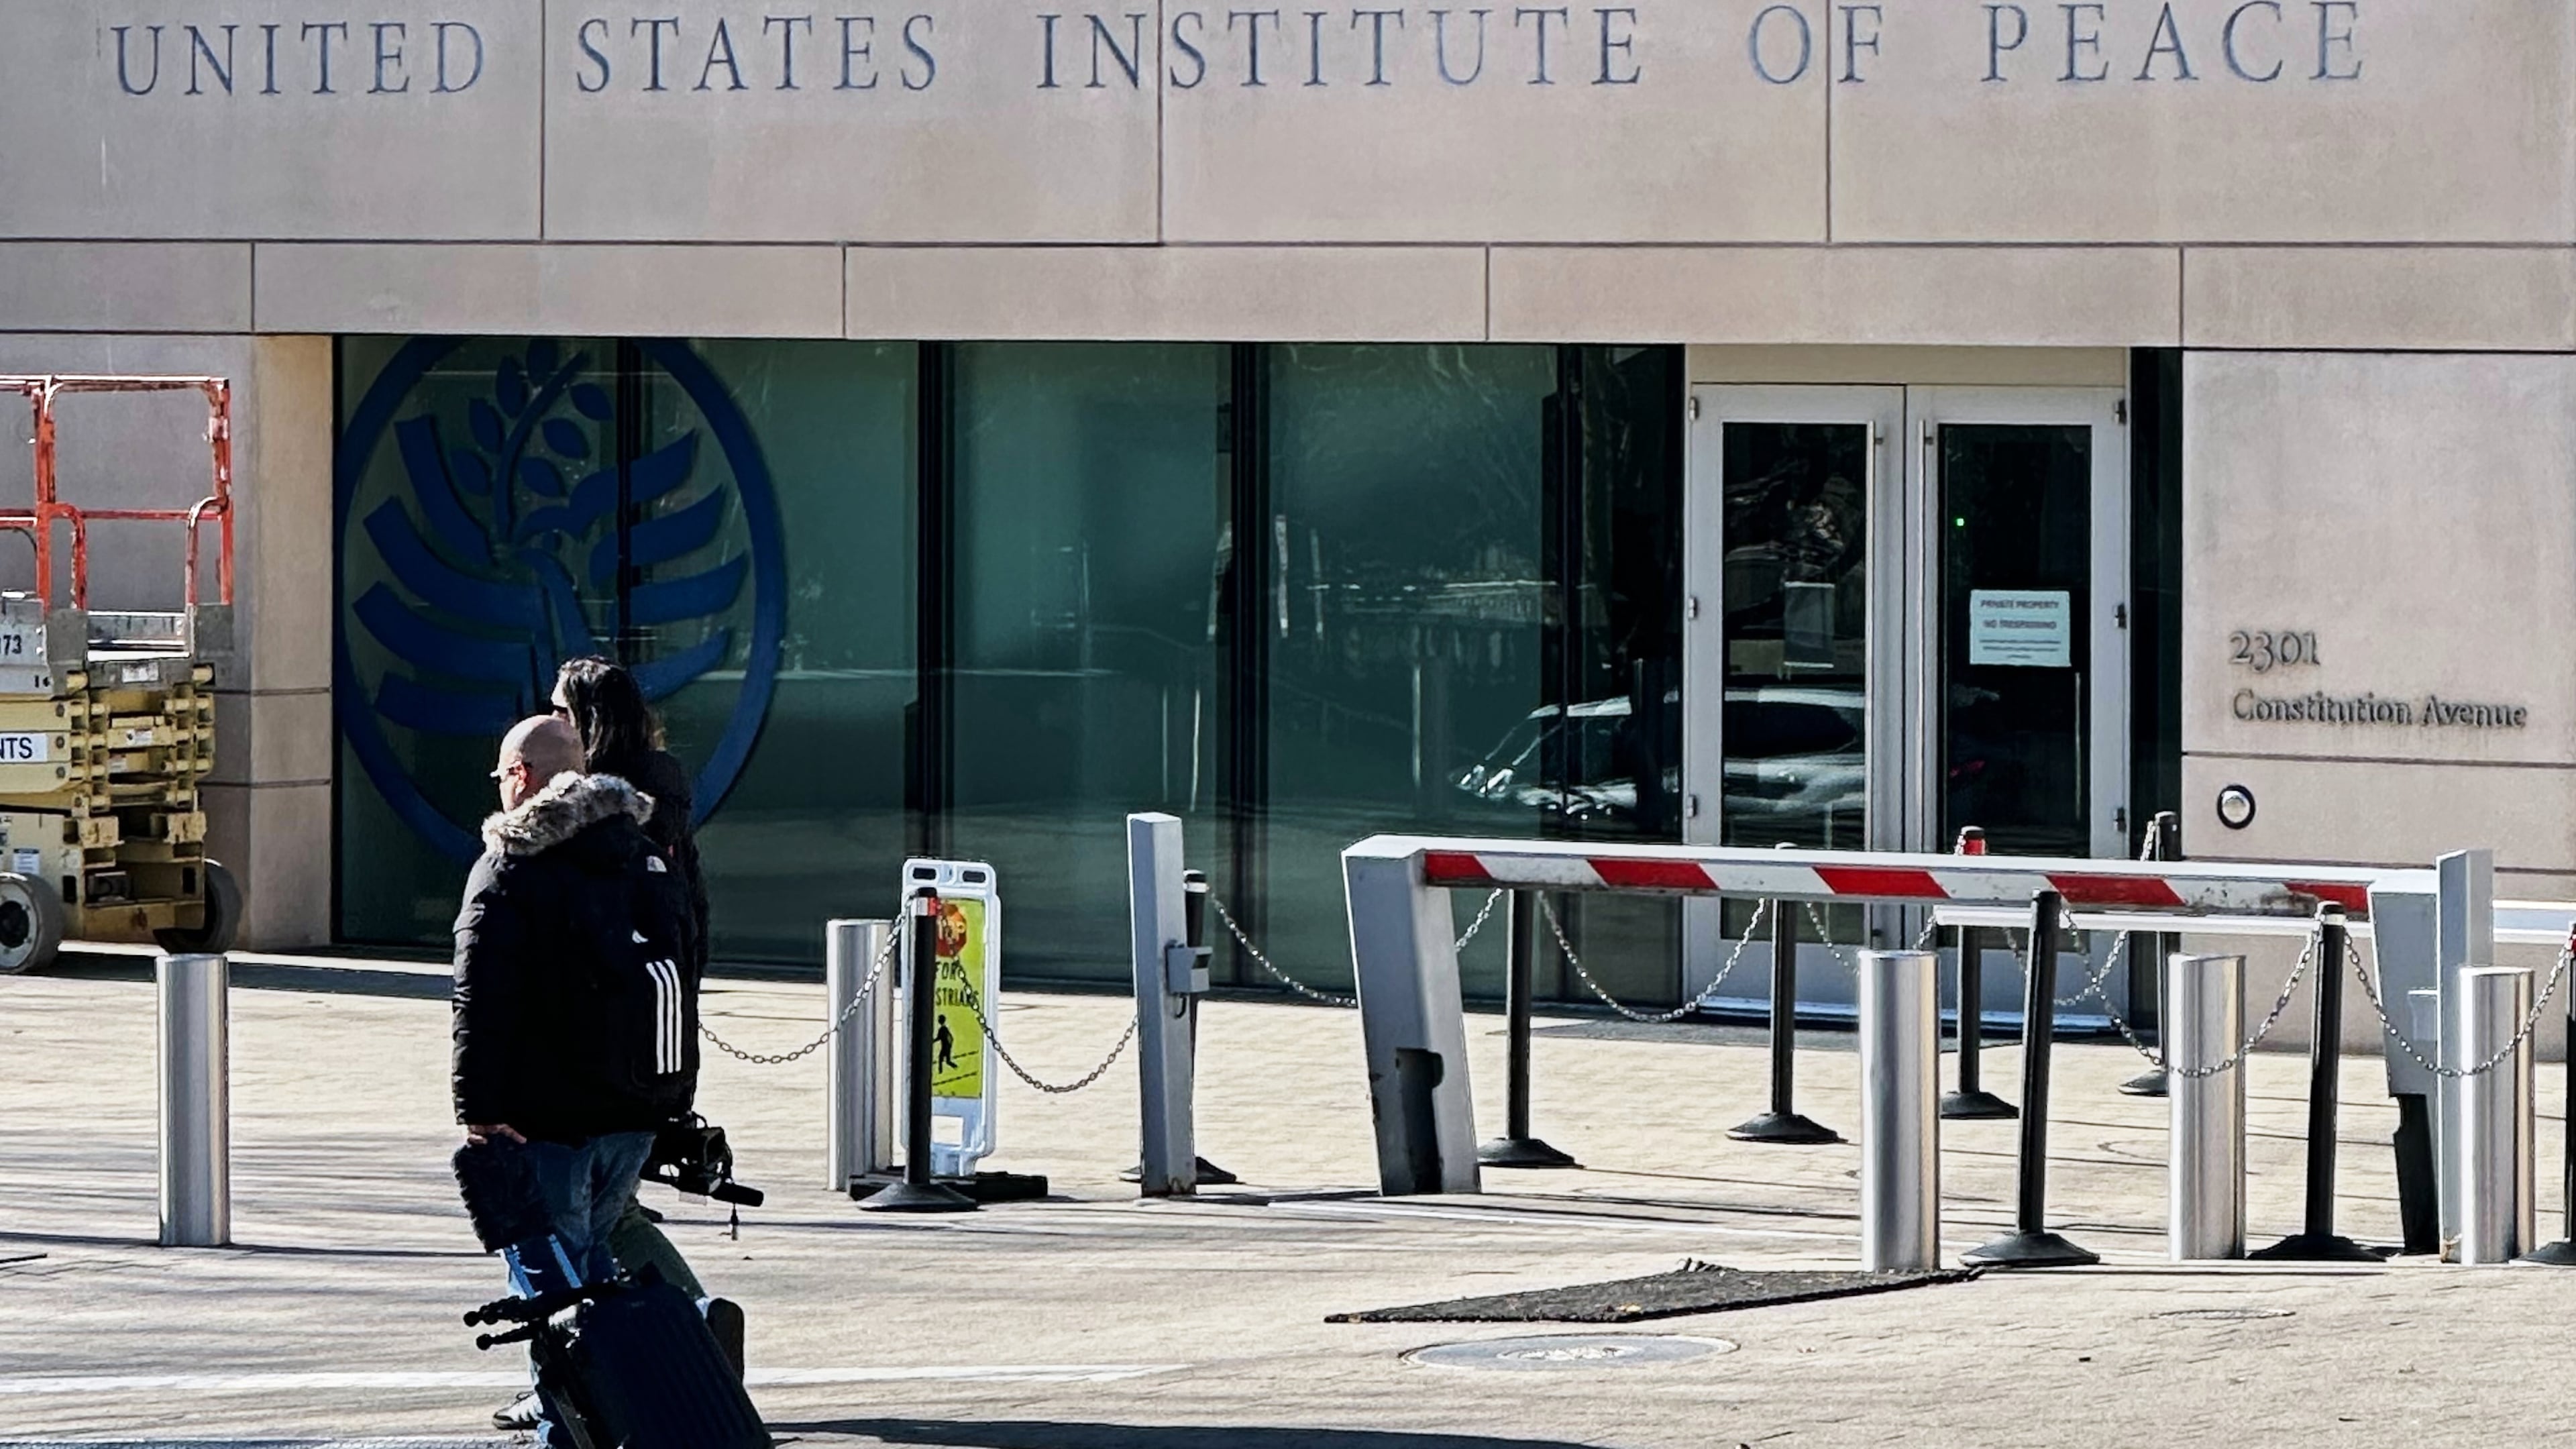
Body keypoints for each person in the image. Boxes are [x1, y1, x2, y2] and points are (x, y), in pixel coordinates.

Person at [453, 716, 702, 1447]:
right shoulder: (642, 852)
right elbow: (683, 974)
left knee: (550, 1281)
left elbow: (480, 997)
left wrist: (479, 1109)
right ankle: (632, 1408)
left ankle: (571, 1429)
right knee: (593, 1264)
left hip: (543, 1112)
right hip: (633, 1105)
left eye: (502, 774)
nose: (500, 788)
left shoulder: (512, 866)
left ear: (523, 777)